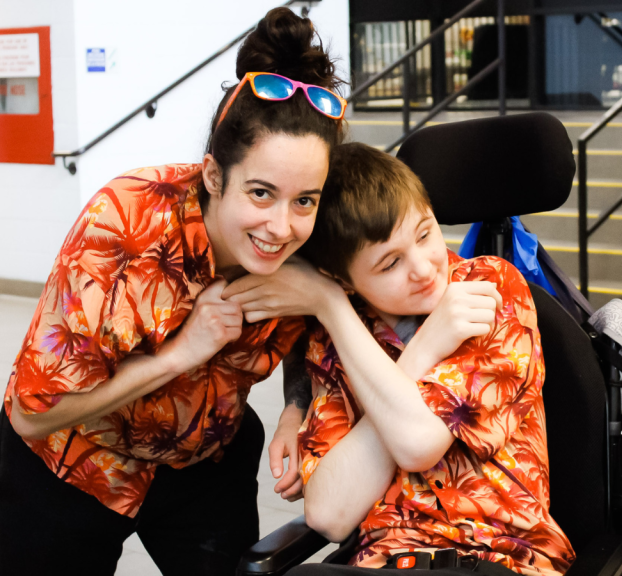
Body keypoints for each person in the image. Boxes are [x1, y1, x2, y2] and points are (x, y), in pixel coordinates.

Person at [0, 8, 345, 575]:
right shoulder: (125, 225)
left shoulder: (313, 238)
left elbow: (315, 329)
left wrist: (296, 406)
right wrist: (182, 352)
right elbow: (34, 415)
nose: (282, 226)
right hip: (71, 459)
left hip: (203, 462)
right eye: (260, 193)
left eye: (304, 199)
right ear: (212, 176)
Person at [223, 143, 575, 576]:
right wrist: (341, 312)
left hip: (495, 557)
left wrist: (337, 311)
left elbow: (419, 443)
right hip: (381, 562)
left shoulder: (486, 289)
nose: (424, 270)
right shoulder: (337, 338)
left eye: (425, 234)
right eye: (390, 263)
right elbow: (329, 514)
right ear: (343, 281)